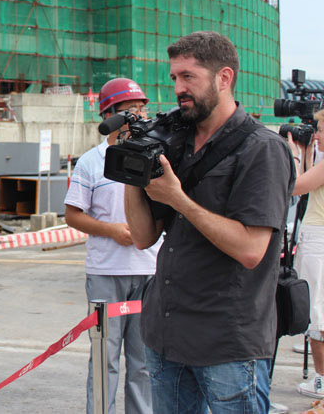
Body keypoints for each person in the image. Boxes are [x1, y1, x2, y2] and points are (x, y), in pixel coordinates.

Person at [123, 31, 295, 413]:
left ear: (224, 77)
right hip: (166, 334)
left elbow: (251, 250)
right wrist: (130, 170)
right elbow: (142, 237)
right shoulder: (176, 141)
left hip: (226, 341)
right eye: (174, 78)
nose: (178, 88)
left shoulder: (262, 150)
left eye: (189, 77)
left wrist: (178, 199)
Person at [65, 77, 159, 414]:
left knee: (144, 362)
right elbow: (72, 216)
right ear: (110, 116)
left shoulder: (157, 159)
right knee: (105, 359)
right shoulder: (92, 162)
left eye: (141, 108)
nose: (139, 115)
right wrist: (111, 230)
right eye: (130, 110)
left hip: (149, 272)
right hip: (107, 274)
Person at [286, 110, 324, 399]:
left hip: (317, 240)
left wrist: (294, 157)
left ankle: (321, 379)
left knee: (316, 314)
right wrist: (308, 152)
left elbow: (296, 187)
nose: (317, 134)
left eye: (320, 129)